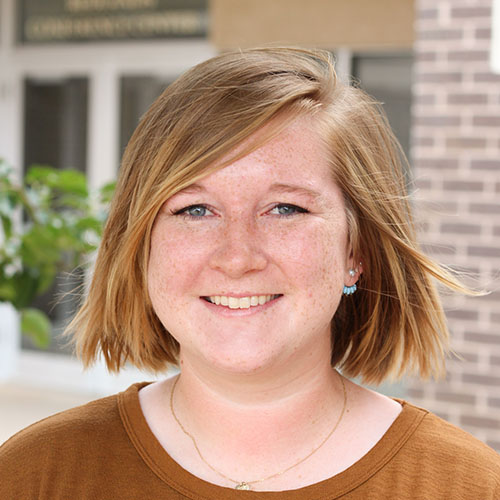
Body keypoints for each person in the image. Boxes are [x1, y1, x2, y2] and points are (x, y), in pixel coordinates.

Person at [1, 47, 499, 499]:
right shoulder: (34, 476)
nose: (237, 257)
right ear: (141, 246)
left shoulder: (469, 487)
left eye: (285, 208)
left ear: (357, 249)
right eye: (195, 210)